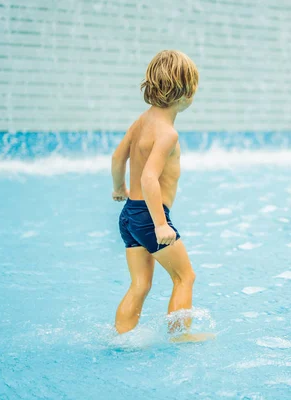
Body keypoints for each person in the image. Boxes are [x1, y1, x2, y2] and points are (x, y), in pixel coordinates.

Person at [111, 50, 211, 342]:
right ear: (187, 93)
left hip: (130, 214)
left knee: (140, 284)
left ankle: (121, 339)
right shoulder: (168, 133)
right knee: (185, 277)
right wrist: (160, 224)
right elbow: (149, 178)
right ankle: (180, 337)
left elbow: (118, 158)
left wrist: (119, 189)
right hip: (150, 218)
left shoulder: (142, 121)